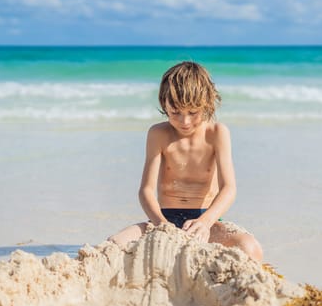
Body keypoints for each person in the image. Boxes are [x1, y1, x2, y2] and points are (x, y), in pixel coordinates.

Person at [108, 61, 263, 261]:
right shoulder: (158, 134)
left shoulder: (217, 133)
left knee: (250, 248)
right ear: (164, 103)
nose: (185, 121)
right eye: (175, 113)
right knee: (113, 244)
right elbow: (145, 191)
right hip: (163, 219)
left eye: (192, 113)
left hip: (204, 220)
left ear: (207, 104)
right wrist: (162, 226)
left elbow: (229, 188)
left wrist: (205, 222)